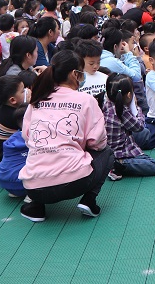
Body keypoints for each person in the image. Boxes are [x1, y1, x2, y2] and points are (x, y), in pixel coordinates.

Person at [18, 50, 113, 222]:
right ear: (75, 74)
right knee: (107, 152)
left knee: (37, 152)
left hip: (33, 187)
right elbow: (97, 142)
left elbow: (27, 137)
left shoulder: (37, 100)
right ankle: (89, 200)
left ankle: (36, 207)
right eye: (81, 73)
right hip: (75, 182)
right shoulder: (86, 100)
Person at [103, 74, 155, 179]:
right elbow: (139, 126)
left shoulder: (107, 104)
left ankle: (117, 163)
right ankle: (118, 164)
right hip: (118, 152)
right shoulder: (122, 111)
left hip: (107, 147)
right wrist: (137, 108)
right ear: (129, 95)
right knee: (153, 166)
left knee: (145, 134)